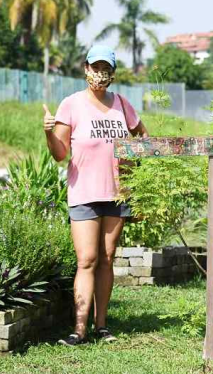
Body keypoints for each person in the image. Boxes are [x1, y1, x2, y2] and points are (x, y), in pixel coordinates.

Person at [43, 45, 148, 345]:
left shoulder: (122, 105)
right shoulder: (72, 104)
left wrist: (136, 172)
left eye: (106, 68)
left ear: (113, 74)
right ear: (85, 69)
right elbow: (60, 154)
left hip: (117, 194)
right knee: (87, 259)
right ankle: (79, 329)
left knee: (107, 258)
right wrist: (48, 132)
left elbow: (144, 137)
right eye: (95, 67)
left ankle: (102, 325)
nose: (100, 74)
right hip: (84, 193)